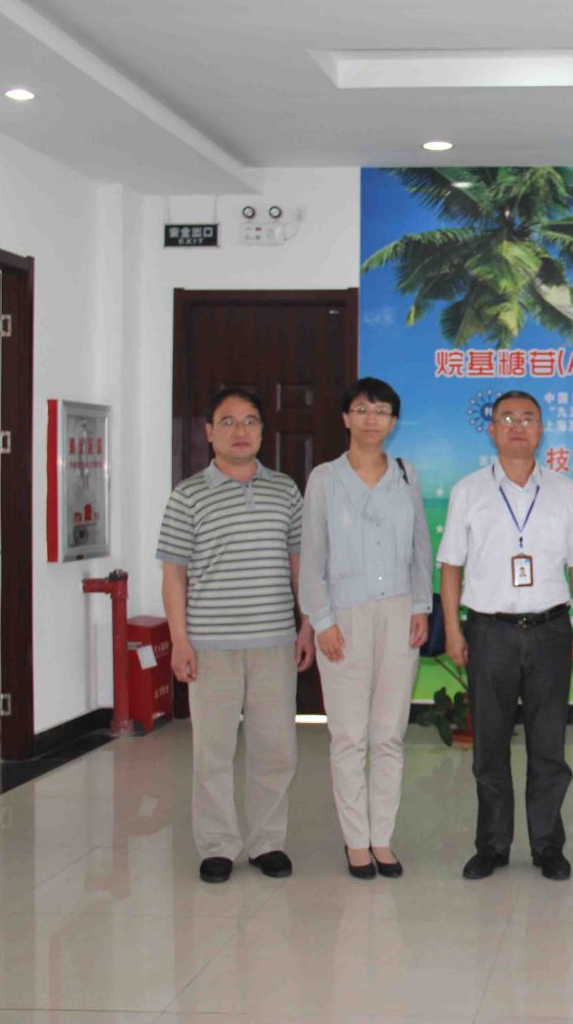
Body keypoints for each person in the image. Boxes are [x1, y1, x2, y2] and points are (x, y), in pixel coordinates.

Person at [437, 390, 573, 881]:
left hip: (550, 631)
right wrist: (453, 630)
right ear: (492, 430)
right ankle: (492, 845)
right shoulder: (468, 491)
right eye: (507, 418)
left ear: (541, 430)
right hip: (490, 631)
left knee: (548, 745)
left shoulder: (564, 490)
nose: (518, 426)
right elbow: (450, 566)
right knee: (490, 744)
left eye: (528, 418)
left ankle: (548, 846)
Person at [158, 387, 314, 884]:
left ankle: (267, 842)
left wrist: (307, 623)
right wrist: (180, 640)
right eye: (228, 422)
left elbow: (299, 562)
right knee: (213, 751)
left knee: (277, 748)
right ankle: (218, 845)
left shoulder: (285, 490)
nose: (240, 431)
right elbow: (174, 573)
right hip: (211, 645)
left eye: (250, 421)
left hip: (274, 642)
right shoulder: (188, 495)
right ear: (209, 432)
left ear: (263, 431)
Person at [299, 377, 431, 880]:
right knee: (348, 736)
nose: (371, 419)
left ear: (393, 421)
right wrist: (322, 621)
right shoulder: (325, 479)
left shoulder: (406, 473)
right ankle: (356, 841)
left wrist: (420, 606)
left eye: (380, 411)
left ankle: (383, 839)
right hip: (343, 618)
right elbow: (312, 555)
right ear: (345, 418)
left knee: (388, 734)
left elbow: (420, 546)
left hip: (398, 613)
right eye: (361, 409)